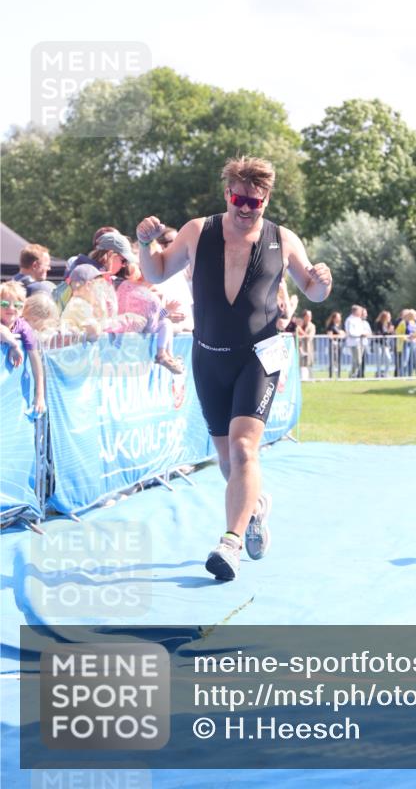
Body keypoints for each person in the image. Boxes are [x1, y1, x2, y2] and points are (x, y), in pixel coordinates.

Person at [136, 155, 332, 583]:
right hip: (208, 356)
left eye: (255, 203)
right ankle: (257, 508)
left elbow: (313, 292)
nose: (246, 209)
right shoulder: (197, 231)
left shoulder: (284, 238)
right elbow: (155, 271)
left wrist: (322, 280)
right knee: (227, 462)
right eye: (239, 200)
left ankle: (230, 543)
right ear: (228, 195)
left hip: (259, 356)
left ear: (266, 200)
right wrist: (144, 243)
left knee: (245, 448)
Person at [0, 281, 46, 415]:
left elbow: (35, 359)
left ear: (23, 309)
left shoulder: (23, 326)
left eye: (18, 305)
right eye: (4, 304)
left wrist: (40, 396)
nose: (11, 308)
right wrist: (14, 344)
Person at [344, 305, 366, 378]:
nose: (361, 313)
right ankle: (352, 374)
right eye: (359, 311)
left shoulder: (359, 320)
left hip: (360, 342)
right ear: (355, 311)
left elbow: (361, 330)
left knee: (357, 360)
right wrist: (360, 334)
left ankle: (353, 374)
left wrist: (363, 334)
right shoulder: (349, 320)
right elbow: (350, 332)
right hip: (353, 343)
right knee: (357, 360)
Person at [373, 310, 394, 377]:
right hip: (378, 343)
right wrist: (387, 332)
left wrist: (391, 332)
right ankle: (378, 373)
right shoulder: (378, 323)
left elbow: (390, 334)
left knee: (388, 358)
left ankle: (386, 373)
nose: (389, 318)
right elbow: (378, 333)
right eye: (388, 317)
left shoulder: (389, 323)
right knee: (379, 359)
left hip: (385, 344)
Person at [324, 311, 346, 377]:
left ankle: (338, 376)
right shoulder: (331, 326)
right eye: (338, 317)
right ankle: (330, 376)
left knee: (338, 360)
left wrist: (341, 334)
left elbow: (344, 334)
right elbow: (330, 336)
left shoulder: (340, 326)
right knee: (332, 360)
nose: (339, 318)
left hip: (339, 344)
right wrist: (339, 335)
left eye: (340, 317)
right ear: (334, 318)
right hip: (333, 344)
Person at [298, 309, 316, 378]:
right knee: (300, 364)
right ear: (304, 316)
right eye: (308, 316)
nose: (310, 317)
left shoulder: (312, 326)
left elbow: (309, 337)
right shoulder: (299, 324)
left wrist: (301, 331)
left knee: (308, 364)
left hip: (308, 348)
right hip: (298, 348)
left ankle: (310, 379)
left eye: (310, 316)